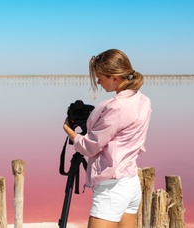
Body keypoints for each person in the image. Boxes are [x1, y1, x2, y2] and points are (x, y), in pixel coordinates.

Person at [63, 49, 152, 228]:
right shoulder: (143, 101)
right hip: (130, 182)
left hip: (112, 187)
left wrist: (69, 130)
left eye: (100, 77)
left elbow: (91, 146)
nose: (98, 81)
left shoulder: (116, 107)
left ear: (114, 77)